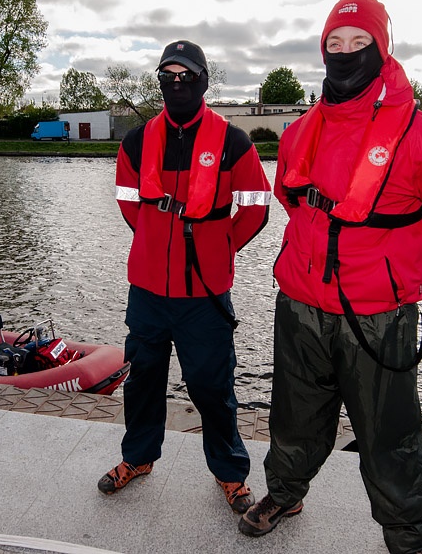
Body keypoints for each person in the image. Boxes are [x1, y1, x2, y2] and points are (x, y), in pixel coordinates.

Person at [238, 0, 422, 554]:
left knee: (389, 435)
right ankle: (285, 492)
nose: (345, 54)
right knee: (293, 413)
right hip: (300, 305)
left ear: (383, 50)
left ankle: (406, 535)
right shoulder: (301, 130)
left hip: (378, 315)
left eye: (359, 44)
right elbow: (293, 201)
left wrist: (397, 260)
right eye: (335, 44)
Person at [104, 40, 271, 514]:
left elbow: (257, 207)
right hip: (148, 292)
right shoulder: (136, 141)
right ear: (159, 82)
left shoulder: (233, 141)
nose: (176, 84)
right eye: (167, 76)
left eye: (186, 76)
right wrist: (158, 241)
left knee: (213, 387)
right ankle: (137, 460)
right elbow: (128, 203)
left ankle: (230, 473)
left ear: (202, 80)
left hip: (205, 294)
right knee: (142, 382)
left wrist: (219, 248)